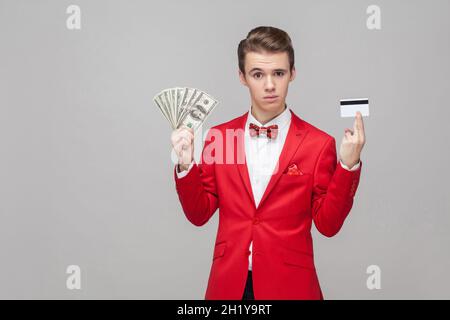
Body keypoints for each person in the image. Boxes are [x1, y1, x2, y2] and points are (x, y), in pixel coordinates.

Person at [170, 26, 365, 300]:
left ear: (292, 74)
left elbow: (328, 225)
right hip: (230, 287)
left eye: (279, 73)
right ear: (242, 77)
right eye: (258, 74)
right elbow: (199, 214)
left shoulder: (318, 144)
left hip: (292, 287)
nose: (270, 85)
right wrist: (185, 164)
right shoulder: (221, 138)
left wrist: (348, 165)